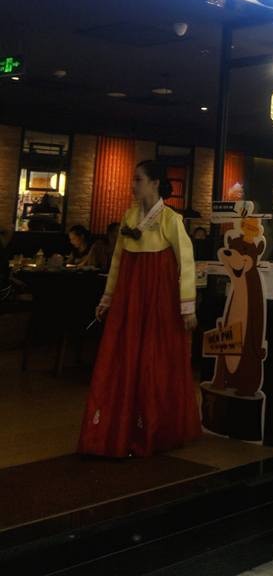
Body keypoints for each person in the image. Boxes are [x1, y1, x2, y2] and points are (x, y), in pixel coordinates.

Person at [77, 160, 201, 458]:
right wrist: (107, 299)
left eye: (138, 179)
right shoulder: (129, 217)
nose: (133, 185)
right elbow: (117, 262)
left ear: (155, 183)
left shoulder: (171, 219)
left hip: (159, 301)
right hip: (130, 299)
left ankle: (154, 429)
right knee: (123, 357)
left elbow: (186, 264)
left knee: (153, 360)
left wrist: (187, 307)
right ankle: (118, 430)